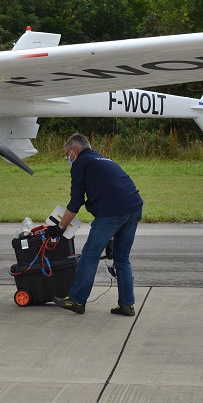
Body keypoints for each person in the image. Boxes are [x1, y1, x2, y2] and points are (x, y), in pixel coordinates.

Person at [50, 133, 143, 316]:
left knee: (89, 256)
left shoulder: (80, 164)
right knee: (122, 258)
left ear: (74, 151)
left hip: (113, 212)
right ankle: (126, 305)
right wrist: (110, 238)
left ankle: (77, 300)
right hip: (134, 208)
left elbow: (76, 202)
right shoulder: (103, 160)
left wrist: (60, 227)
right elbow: (111, 192)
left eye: (67, 155)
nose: (68, 159)